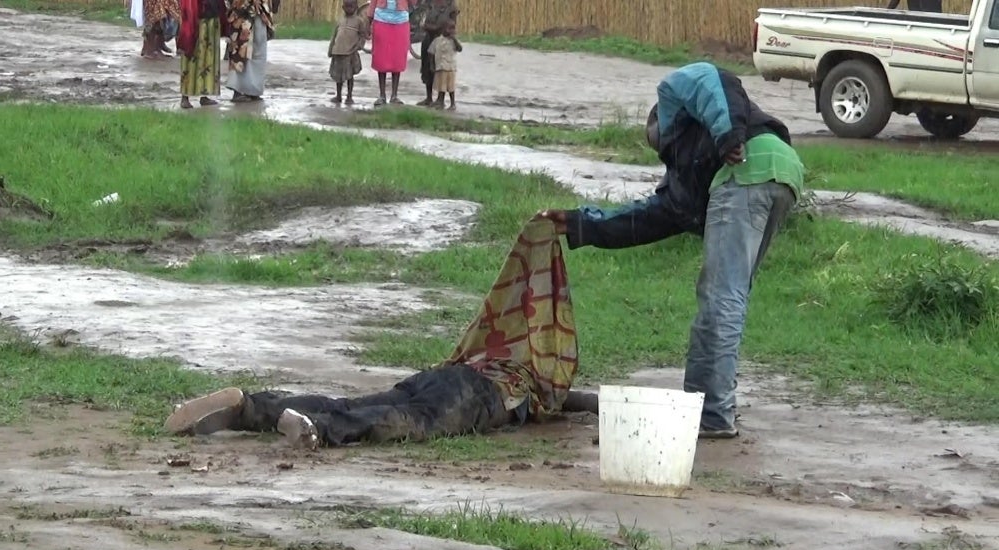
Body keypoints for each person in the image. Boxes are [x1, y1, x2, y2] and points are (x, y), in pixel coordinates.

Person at [538, 62, 804, 440]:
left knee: (720, 298)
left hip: (747, 170)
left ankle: (712, 416)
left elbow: (714, 81)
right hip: (781, 172)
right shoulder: (692, 173)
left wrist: (728, 135)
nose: (660, 147)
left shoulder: (675, 93)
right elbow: (647, 218)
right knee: (729, 296)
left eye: (658, 138)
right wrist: (580, 223)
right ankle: (700, 406)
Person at [165, 219, 599, 448]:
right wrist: (599, 404)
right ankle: (313, 427)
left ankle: (250, 408)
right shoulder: (539, 377)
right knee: (413, 423)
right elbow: (573, 398)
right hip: (476, 395)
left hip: (441, 376)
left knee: (357, 403)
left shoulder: (494, 343)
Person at [177, 0, 229, 109]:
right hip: (196, 20)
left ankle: (205, 94)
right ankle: (185, 96)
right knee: (191, 57)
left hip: (213, 19)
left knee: (209, 59)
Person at [226, 0, 276, 103]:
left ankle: (253, 90)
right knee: (241, 53)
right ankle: (238, 90)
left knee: (258, 52)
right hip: (243, 15)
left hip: (260, 12)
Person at [367, 0, 412, 106]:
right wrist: (369, 19)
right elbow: (373, 2)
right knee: (381, 58)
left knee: (397, 59)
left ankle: (394, 95)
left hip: (401, 21)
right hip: (381, 20)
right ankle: (382, 95)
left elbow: (413, 2)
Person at [416, 0, 460, 107]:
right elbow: (421, 18)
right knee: (427, 66)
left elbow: (453, 24)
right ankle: (429, 97)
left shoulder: (451, 5)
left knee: (441, 69)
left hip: (443, 40)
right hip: (428, 38)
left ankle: (441, 99)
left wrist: (441, 30)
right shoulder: (428, 2)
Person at [328, 0, 369, 105]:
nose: (349, 9)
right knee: (338, 76)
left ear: (356, 7)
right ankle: (338, 95)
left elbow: (363, 35)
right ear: (343, 7)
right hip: (338, 52)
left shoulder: (359, 21)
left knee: (349, 76)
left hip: (350, 52)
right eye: (347, 7)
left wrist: (360, 45)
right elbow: (334, 36)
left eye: (351, 7)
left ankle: (349, 96)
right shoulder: (340, 20)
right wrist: (331, 49)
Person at [428, 20, 461, 110]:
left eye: (453, 28)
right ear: (443, 30)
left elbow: (459, 49)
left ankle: (453, 103)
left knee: (451, 87)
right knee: (441, 86)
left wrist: (454, 39)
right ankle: (441, 102)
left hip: (450, 67)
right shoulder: (437, 40)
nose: (451, 31)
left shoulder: (454, 41)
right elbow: (430, 52)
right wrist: (432, 65)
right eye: (449, 28)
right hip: (440, 67)